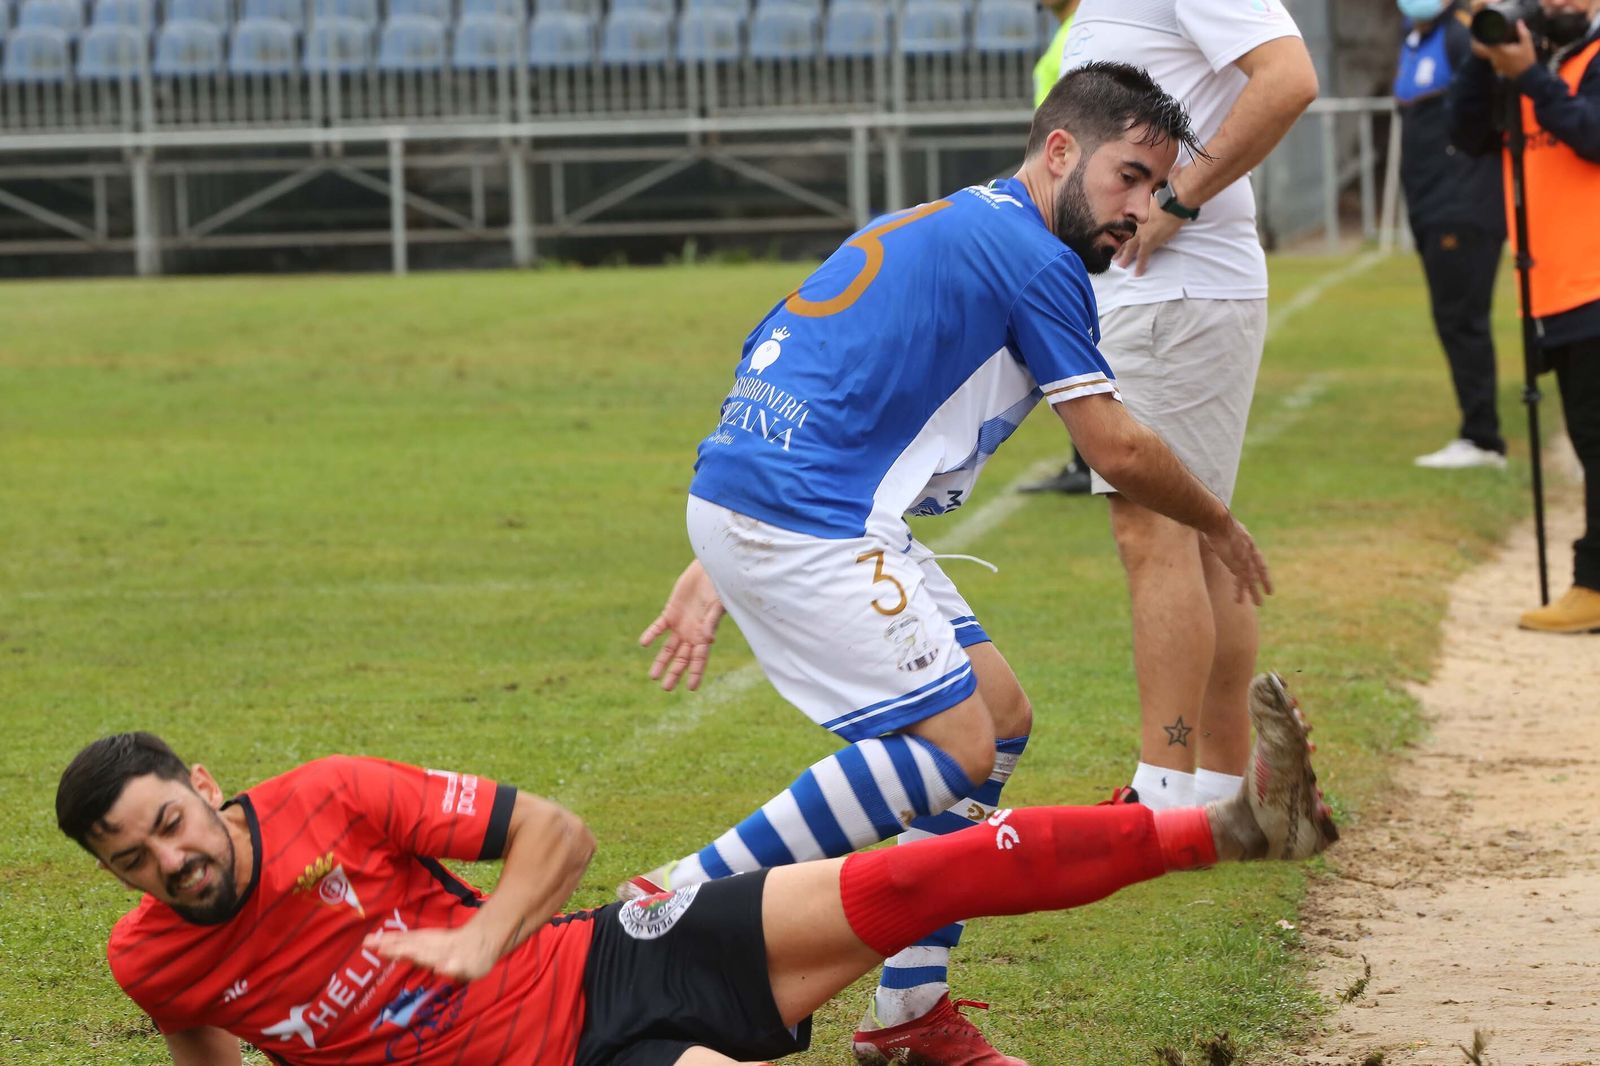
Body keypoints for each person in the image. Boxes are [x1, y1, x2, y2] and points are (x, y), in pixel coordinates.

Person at [630, 62, 1273, 1065]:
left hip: (792, 500)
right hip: (811, 516)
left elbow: (802, 349)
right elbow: (1113, 447)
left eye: (1155, 189)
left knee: (1000, 718)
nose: (1141, 209)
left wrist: (721, 536)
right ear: (1059, 151)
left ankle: (906, 1016)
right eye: (1129, 179)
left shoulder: (946, 220)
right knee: (954, 746)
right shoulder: (1035, 258)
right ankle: (669, 900)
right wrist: (1219, 522)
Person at [55, 675, 1337, 1066]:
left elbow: (555, 834)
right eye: (137, 859)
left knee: (914, 881)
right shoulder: (151, 955)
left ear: (206, 785)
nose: (172, 860)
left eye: (172, 822)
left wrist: (481, 938)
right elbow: (199, 1033)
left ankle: (1229, 830)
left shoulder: (328, 796)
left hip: (604, 955)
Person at [1061, 0, 1319, 811]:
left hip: (1175, 289)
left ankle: (1167, 792)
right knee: (1196, 534)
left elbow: (1288, 79)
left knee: (1156, 529)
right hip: (1160, 292)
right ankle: (1212, 791)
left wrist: (1178, 199)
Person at [1451, 0, 1600, 632]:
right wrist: (1487, 67)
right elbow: (1466, 135)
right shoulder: (1535, 67)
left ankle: (1593, 584)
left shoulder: (1586, 64)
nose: (1561, 4)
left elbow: (1592, 136)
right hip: (1551, 291)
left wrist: (1531, 76)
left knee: (1598, 444)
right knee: (1589, 440)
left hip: (1593, 284)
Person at [1397, 0, 1510, 470]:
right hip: (1429, 206)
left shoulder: (1461, 33)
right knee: (1452, 320)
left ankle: (1483, 439)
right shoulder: (1412, 38)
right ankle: (1478, 429)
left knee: (1464, 321)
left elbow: (1492, 104)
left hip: (1462, 206)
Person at [1020, 0, 1095, 496]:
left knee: (1076, 318)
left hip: (1070, 191)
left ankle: (1091, 457)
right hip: (1060, 183)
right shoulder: (1071, 30)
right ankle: (1085, 459)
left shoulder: (1083, 31)